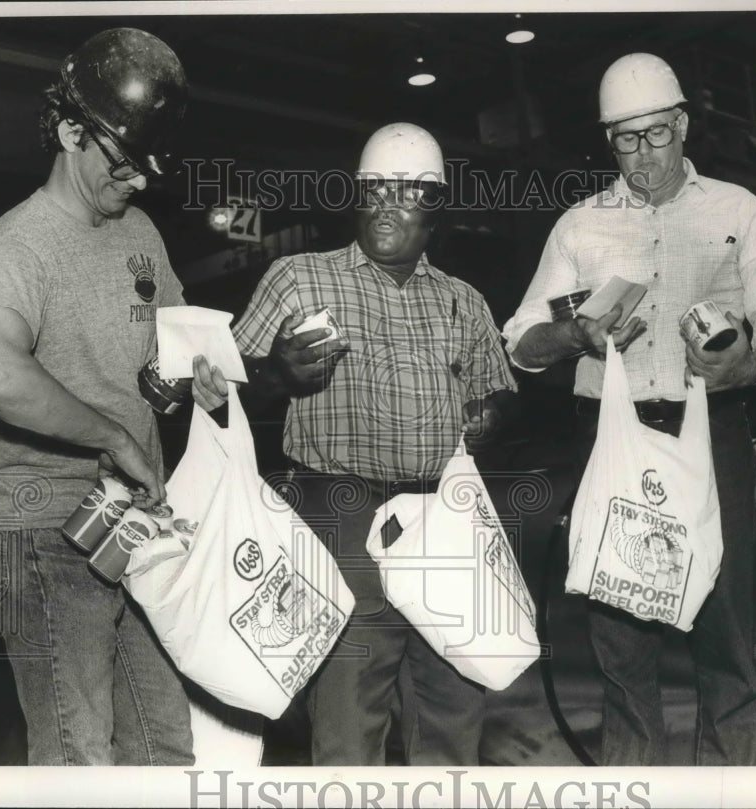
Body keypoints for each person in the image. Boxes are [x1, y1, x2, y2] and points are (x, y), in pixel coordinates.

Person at [503, 53, 756, 766]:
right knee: (621, 639)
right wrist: (573, 332)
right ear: (608, 140)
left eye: (656, 134)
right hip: (613, 441)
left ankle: (730, 783)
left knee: (727, 629)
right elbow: (520, 341)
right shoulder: (580, 227)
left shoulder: (737, 210)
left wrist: (750, 363)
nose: (643, 154)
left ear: (682, 124)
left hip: (713, 439)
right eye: (625, 138)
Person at [192, 122, 519, 765]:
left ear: (434, 209)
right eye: (374, 189)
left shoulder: (463, 301)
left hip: (442, 514)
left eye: (405, 192)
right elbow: (218, 390)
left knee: (454, 704)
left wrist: (492, 413)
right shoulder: (298, 280)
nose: (384, 204)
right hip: (338, 510)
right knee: (349, 709)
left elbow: (502, 391)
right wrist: (277, 372)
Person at [0, 28, 194, 766]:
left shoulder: (141, 231)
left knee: (164, 747)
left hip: (129, 526)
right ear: (70, 131)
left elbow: (173, 340)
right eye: (126, 165)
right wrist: (113, 436)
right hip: (44, 531)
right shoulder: (20, 243)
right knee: (78, 755)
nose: (140, 183)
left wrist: (187, 373)